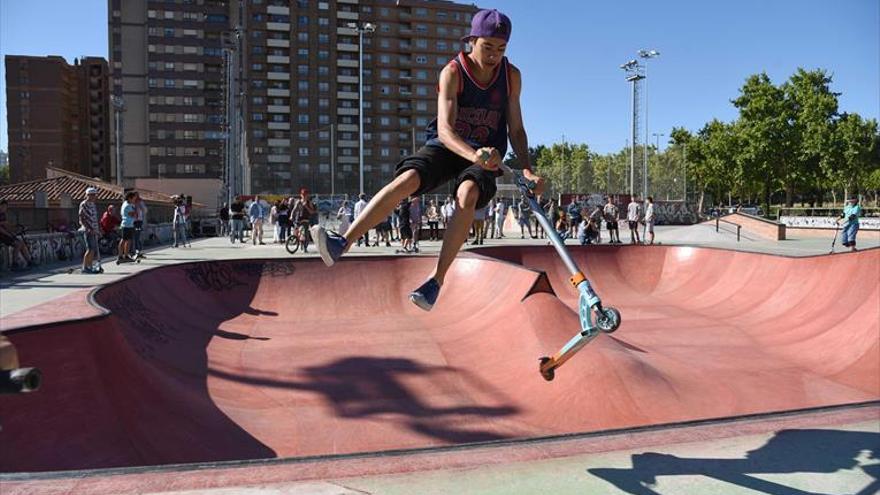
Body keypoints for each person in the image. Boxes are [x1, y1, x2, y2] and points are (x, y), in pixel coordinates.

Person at [311, 8, 544, 311]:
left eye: (501, 49)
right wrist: (472, 153)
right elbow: (446, 130)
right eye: (487, 47)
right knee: (407, 180)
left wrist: (526, 169)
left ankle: (436, 281)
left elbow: (516, 128)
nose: (493, 56)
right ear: (471, 41)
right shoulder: (453, 72)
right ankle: (342, 242)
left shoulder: (511, 77)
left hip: (487, 155)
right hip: (450, 146)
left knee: (468, 193)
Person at [78, 187, 101, 273]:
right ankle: (85, 267)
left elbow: (95, 218)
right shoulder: (84, 204)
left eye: (94, 195)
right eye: (91, 195)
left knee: (93, 249)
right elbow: (82, 218)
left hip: (94, 229)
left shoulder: (93, 205)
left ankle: (90, 266)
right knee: (90, 248)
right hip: (88, 230)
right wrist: (88, 228)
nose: (93, 197)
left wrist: (98, 229)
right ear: (87, 195)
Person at [118, 191, 138, 262]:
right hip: (126, 225)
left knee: (128, 240)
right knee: (124, 240)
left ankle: (126, 255)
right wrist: (135, 211)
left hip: (129, 224)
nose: (134, 200)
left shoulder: (127, 204)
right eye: (133, 199)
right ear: (130, 198)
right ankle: (120, 256)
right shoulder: (128, 206)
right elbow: (133, 214)